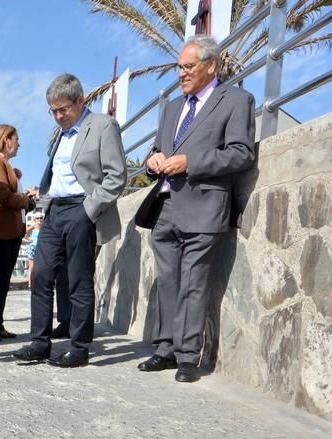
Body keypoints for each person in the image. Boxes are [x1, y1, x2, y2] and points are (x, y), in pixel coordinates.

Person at [133, 36, 255, 383]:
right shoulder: (172, 108)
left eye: (188, 67)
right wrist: (153, 160)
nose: (181, 74)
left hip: (204, 203)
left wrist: (191, 162)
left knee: (195, 282)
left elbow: (241, 152)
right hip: (165, 205)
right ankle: (165, 349)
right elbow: (159, 149)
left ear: (211, 65)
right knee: (168, 280)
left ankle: (188, 356)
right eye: (179, 67)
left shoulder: (236, 100)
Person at [13, 73, 126, 368]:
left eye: (63, 109)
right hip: (55, 211)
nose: (58, 116)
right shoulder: (58, 134)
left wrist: (88, 211)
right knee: (40, 276)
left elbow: (117, 176)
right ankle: (39, 343)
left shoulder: (102, 126)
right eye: (53, 111)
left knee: (78, 281)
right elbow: (56, 178)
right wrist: (44, 206)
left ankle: (79, 347)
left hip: (82, 208)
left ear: (80, 100)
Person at [0, 124, 38, 342]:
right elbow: (3, 195)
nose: (19, 144)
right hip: (0, 232)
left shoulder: (4, 163)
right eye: (16, 139)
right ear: (6, 140)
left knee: (2, 281)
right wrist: (27, 201)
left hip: (9, 232)